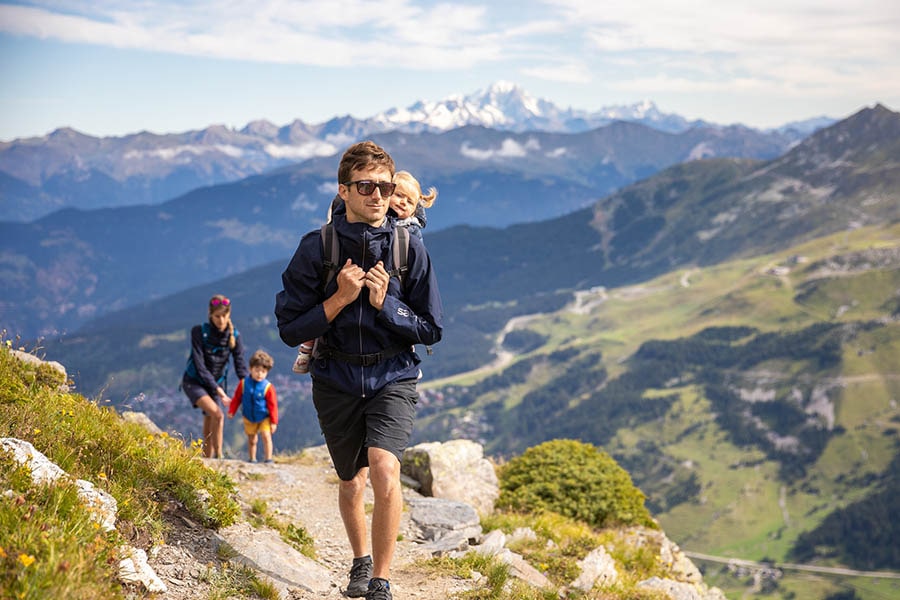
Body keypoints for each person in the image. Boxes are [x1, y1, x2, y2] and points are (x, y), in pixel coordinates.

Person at [274, 141, 443, 600]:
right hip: (335, 378)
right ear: (344, 190)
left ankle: (381, 580)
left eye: (384, 187)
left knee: (385, 468)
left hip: (394, 375)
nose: (377, 196)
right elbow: (290, 329)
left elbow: (431, 328)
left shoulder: (409, 248)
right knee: (352, 479)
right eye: (365, 186)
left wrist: (385, 304)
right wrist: (339, 300)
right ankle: (359, 561)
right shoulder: (317, 249)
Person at [181, 294, 248, 459]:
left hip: (214, 385)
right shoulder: (198, 332)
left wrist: (249, 386)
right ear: (210, 314)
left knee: (210, 419)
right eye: (217, 316)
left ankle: (207, 461)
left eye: (225, 315)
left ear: (229, 315)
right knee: (217, 414)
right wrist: (220, 392)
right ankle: (219, 458)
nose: (221, 320)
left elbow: (240, 365)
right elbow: (200, 367)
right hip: (194, 382)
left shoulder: (234, 336)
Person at [227, 349, 278, 463]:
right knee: (252, 439)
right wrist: (232, 410)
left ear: (267, 372)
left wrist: (274, 422)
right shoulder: (244, 383)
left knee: (266, 436)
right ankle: (252, 459)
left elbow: (273, 405)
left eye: (263, 371)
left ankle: (268, 459)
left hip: (264, 417)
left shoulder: (268, 387)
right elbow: (237, 398)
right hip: (248, 416)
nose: (260, 374)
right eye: (257, 370)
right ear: (250, 369)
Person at [389, 170, 437, 241]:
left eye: (410, 202)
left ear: (414, 210)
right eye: (399, 195)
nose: (404, 202)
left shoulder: (412, 230)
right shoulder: (376, 218)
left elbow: (418, 251)